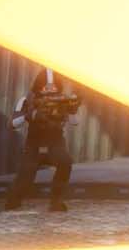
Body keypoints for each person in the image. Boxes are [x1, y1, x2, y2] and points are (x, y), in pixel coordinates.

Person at [7, 68, 79, 212]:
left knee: (65, 163)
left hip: (55, 143)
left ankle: (56, 201)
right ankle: (14, 201)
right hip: (34, 144)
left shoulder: (63, 101)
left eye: (53, 86)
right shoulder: (27, 100)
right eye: (46, 86)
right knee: (26, 174)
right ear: (39, 86)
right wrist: (29, 115)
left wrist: (72, 110)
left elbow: (75, 122)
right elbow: (12, 124)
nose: (50, 89)